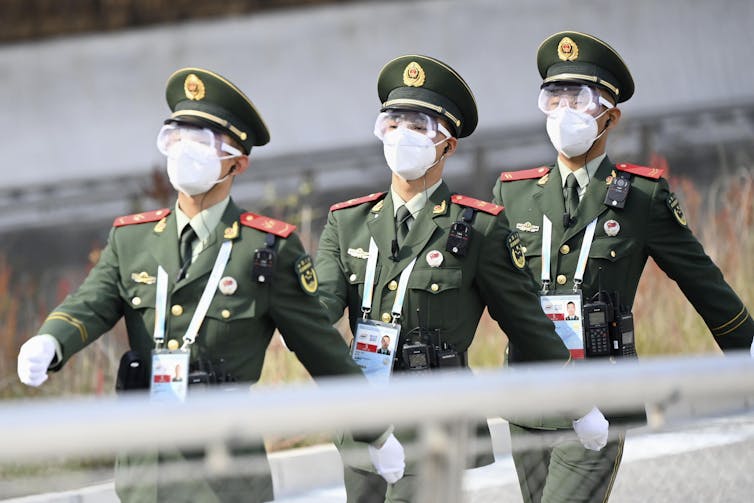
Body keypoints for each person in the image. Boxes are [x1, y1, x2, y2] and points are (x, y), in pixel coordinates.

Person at [16, 67, 398, 503]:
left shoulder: (268, 249)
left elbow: (320, 349)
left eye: (201, 142)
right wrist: (52, 340)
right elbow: (91, 302)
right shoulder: (133, 239)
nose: (184, 152)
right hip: (147, 470)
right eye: (176, 138)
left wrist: (376, 432)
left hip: (224, 473)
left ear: (237, 162)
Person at [492, 31, 754, 503]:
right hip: (528, 398)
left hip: (600, 395)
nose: (564, 111)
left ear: (610, 116)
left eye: (580, 99)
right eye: (555, 97)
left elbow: (700, 279)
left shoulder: (640, 198)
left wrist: (747, 344)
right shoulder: (513, 194)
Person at [315, 54, 573, 503]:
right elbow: (315, 317)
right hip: (362, 421)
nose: (401, 137)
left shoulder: (480, 229)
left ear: (447, 146)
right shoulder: (347, 223)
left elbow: (527, 324)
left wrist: (581, 399)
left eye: (418, 128)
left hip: (437, 424)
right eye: (393, 124)